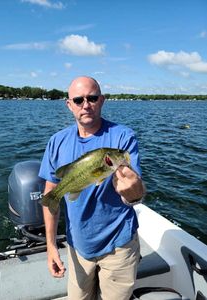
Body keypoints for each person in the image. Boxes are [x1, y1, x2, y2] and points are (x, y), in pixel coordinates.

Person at [39, 76, 145, 300]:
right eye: (78, 100)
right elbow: (51, 193)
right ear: (69, 105)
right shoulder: (56, 142)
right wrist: (50, 246)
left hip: (119, 245)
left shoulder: (122, 137)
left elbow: (135, 195)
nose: (85, 105)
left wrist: (133, 191)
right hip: (78, 245)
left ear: (102, 100)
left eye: (92, 98)